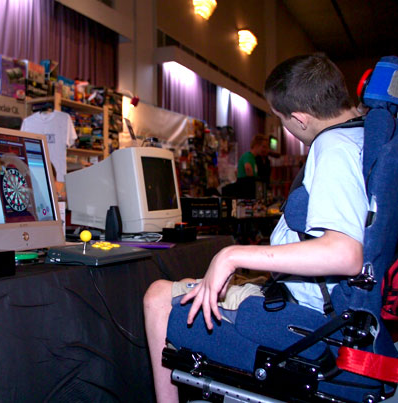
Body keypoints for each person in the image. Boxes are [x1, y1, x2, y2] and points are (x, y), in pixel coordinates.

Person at [143, 53, 367, 403]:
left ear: (299, 118)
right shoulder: (365, 136)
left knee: (158, 296)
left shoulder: (333, 148)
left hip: (311, 322)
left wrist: (232, 255)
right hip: (336, 310)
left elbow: (344, 253)